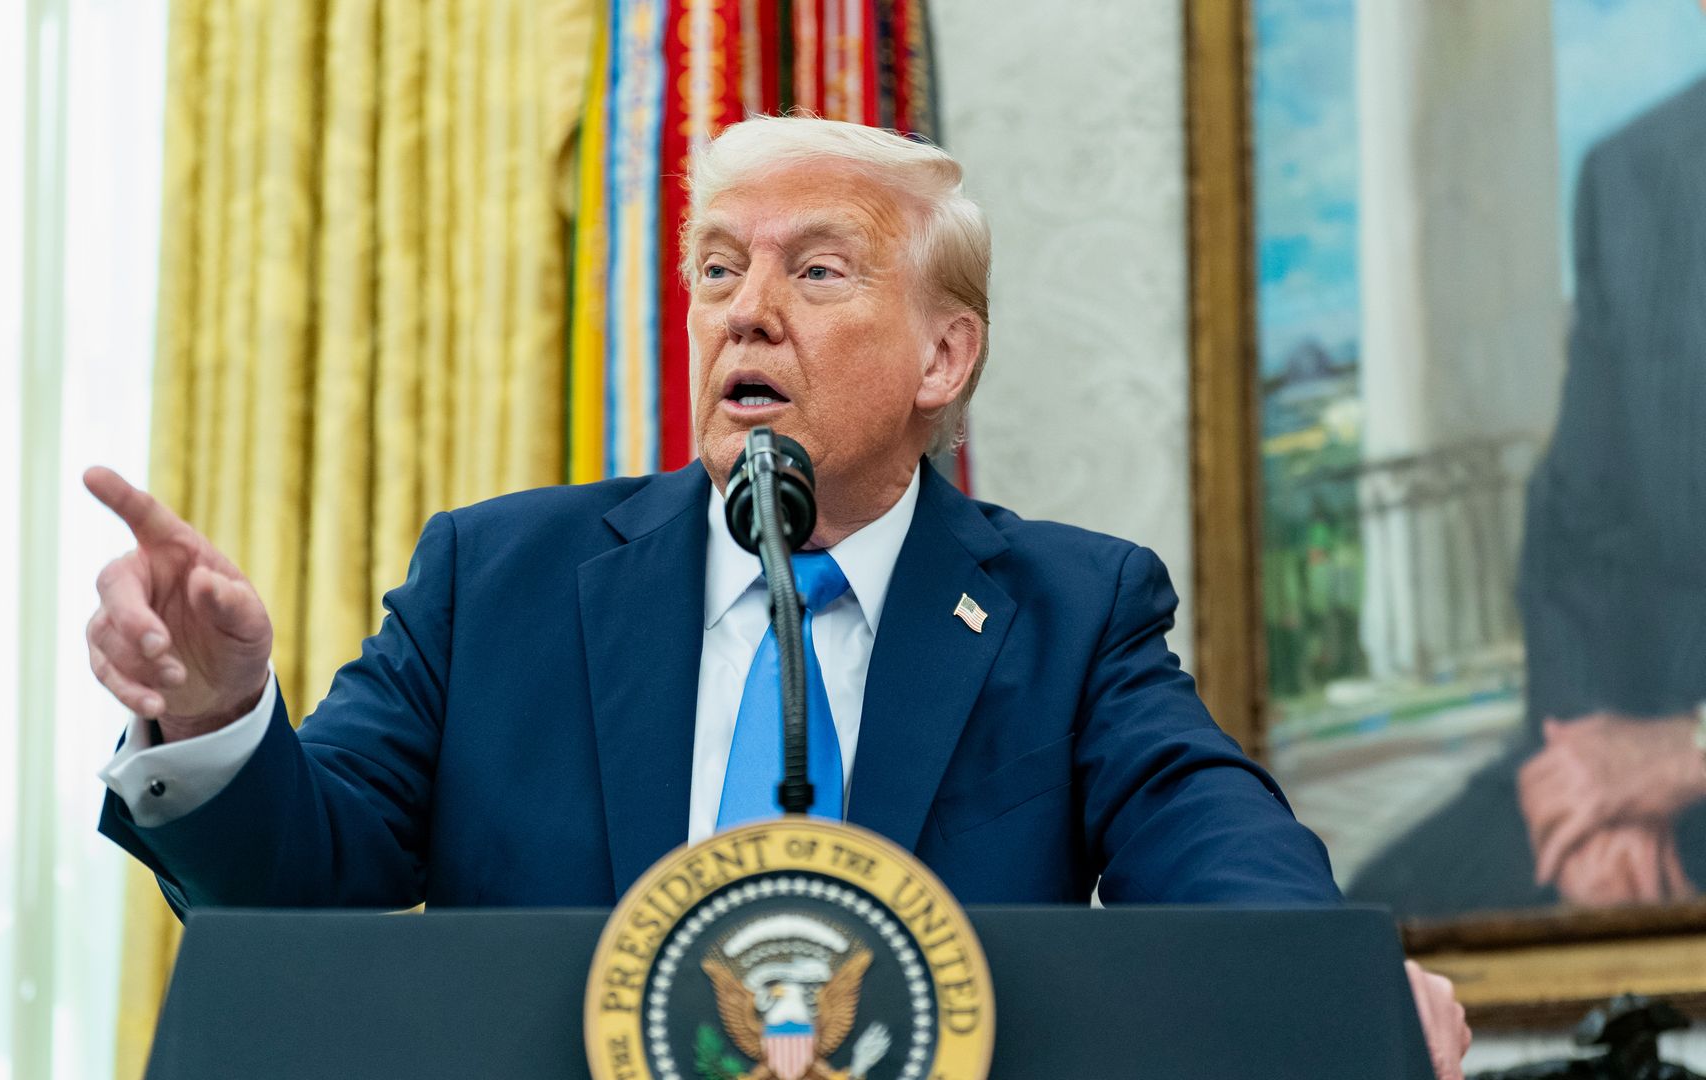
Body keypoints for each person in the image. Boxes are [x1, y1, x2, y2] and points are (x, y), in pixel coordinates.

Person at [86, 117, 1469, 1076]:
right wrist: (216, 720)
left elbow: (1212, 843)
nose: (746, 311)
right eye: (716, 269)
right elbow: (302, 894)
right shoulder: (493, 582)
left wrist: (1325, 983)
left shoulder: (1070, 609)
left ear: (944, 355)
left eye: (815, 270)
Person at [1346, 69, 1706, 918]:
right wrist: (1591, 794)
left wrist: (1684, 755)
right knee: (1368, 932)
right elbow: (1574, 532)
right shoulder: (1634, 173)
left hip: (1680, 762)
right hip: (1636, 756)